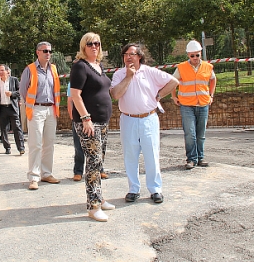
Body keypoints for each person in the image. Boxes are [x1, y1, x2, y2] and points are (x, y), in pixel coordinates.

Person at [110, 43, 178, 205]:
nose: (128, 57)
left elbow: (174, 81)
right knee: (130, 155)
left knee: (152, 155)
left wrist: (159, 94)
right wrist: (129, 76)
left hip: (149, 119)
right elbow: (115, 95)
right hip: (128, 119)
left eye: (131, 54)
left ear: (139, 56)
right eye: (125, 54)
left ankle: (155, 189)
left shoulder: (150, 72)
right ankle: (134, 189)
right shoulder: (119, 74)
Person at [69, 32, 115, 222]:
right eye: (90, 44)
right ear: (83, 46)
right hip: (89, 123)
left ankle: (99, 197)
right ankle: (93, 206)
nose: (94, 46)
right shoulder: (80, 66)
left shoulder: (99, 66)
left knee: (99, 161)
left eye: (97, 43)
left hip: (102, 122)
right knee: (93, 162)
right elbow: (75, 95)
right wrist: (86, 118)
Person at [19, 42, 61, 190]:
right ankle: (33, 177)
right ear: (37, 52)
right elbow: (23, 90)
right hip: (36, 109)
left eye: (50, 51)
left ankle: (47, 173)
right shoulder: (30, 69)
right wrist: (31, 106)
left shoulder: (53, 69)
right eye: (45, 51)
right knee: (35, 144)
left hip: (51, 110)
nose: (48, 53)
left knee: (49, 143)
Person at [171, 40, 216, 170]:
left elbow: (213, 79)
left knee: (201, 134)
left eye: (197, 55)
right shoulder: (181, 67)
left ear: (200, 54)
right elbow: (172, 81)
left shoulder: (208, 67)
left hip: (203, 104)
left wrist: (211, 95)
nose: (195, 58)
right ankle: (191, 159)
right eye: (192, 56)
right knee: (190, 133)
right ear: (188, 55)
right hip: (187, 105)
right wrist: (174, 96)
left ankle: (200, 157)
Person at [67, 82, 108, 182]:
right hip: (79, 119)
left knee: (99, 145)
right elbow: (70, 100)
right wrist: (72, 117)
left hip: (95, 118)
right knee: (78, 146)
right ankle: (78, 171)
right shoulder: (75, 81)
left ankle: (100, 169)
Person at [0, 64, 25, 155]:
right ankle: (7, 147)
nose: (0, 72)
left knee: (17, 128)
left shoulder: (14, 80)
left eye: (2, 70)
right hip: (1, 108)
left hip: (12, 108)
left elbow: (20, 92)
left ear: (7, 71)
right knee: (4, 129)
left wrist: (12, 93)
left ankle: (21, 148)